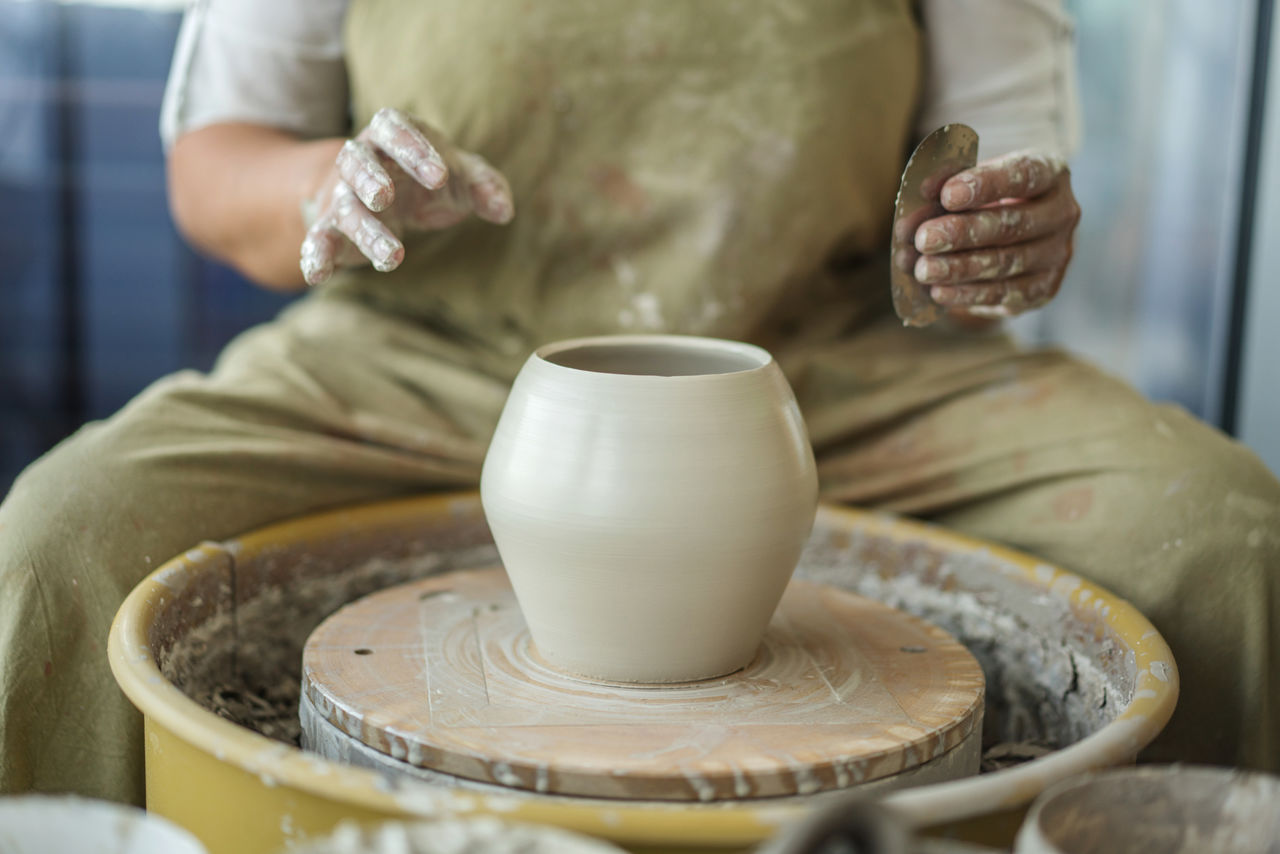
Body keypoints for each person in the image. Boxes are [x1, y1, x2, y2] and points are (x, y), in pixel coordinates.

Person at [1, 0, 1276, 805]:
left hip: (824, 374)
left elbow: (990, 183)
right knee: (64, 541)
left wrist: (1000, 240)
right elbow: (214, 166)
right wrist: (338, 186)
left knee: (1227, 542)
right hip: (429, 349)